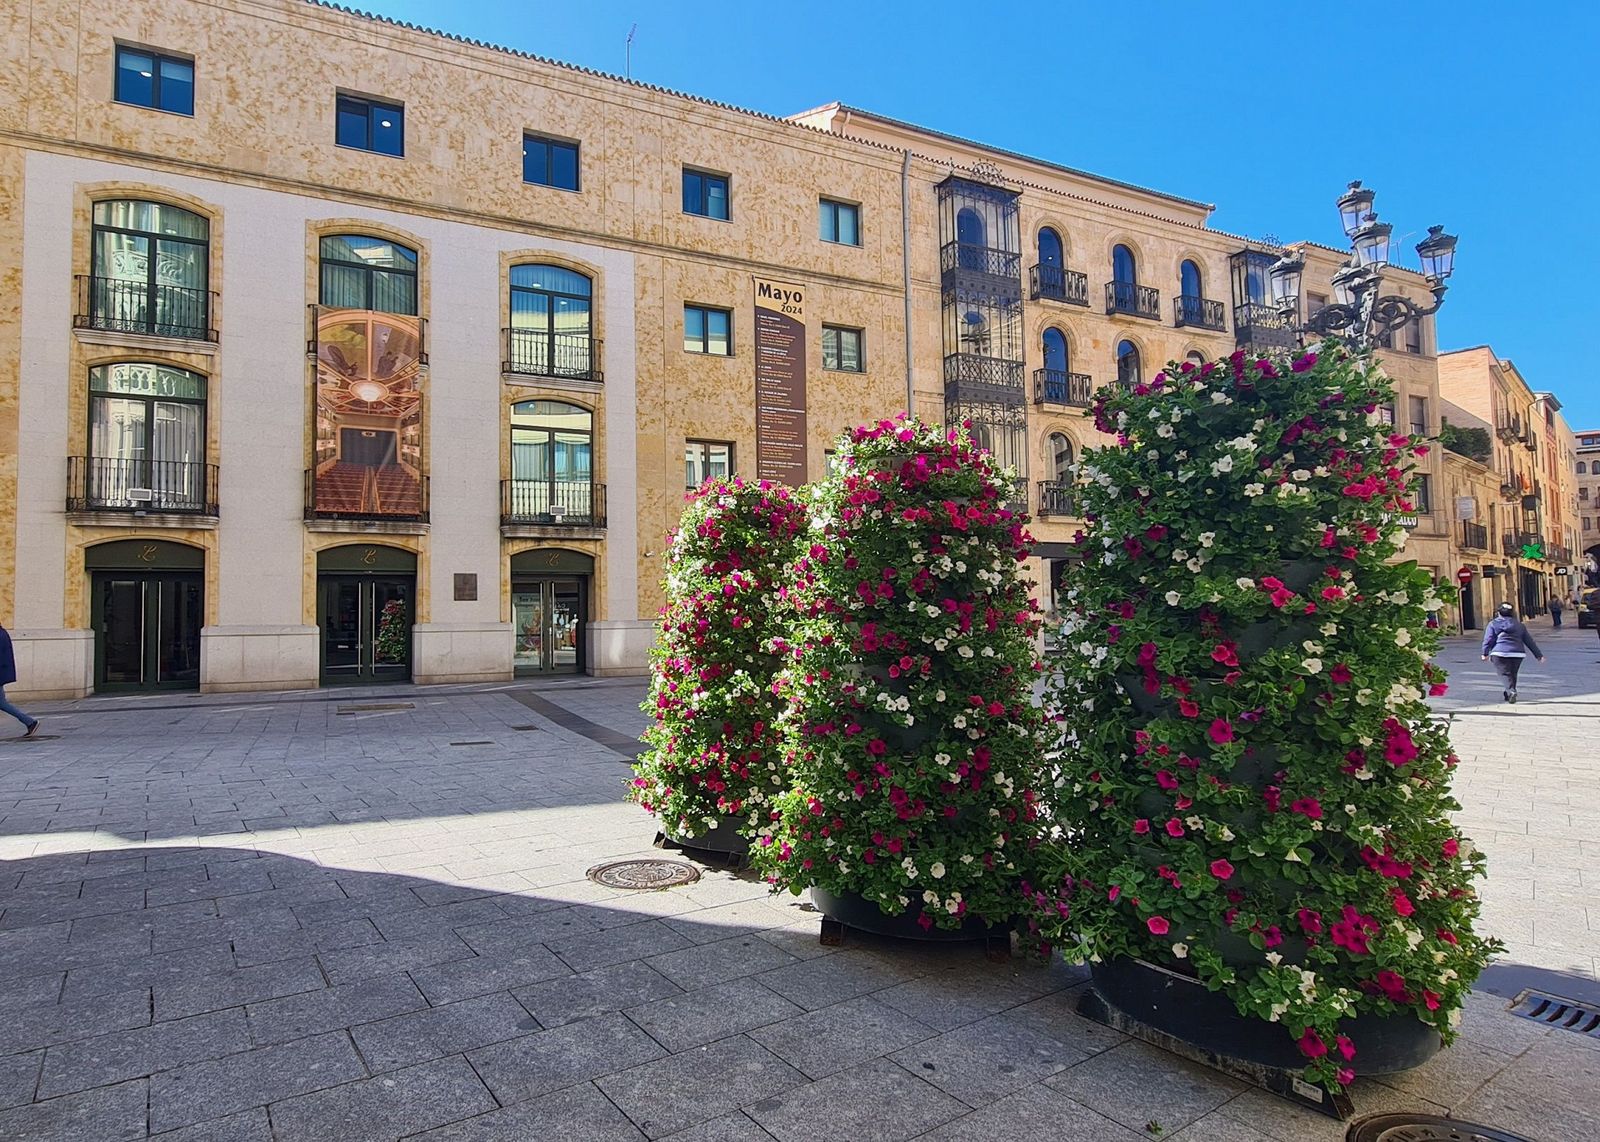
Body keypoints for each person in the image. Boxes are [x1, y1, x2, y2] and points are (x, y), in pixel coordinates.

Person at [1481, 603, 1545, 704]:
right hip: (1517, 653)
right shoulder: (1519, 625)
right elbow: (1529, 641)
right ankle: (1509, 693)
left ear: (1498, 613)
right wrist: (1538, 655)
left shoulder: (1493, 624)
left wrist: (1485, 653)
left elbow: (1488, 639)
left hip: (1499, 653)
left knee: (1504, 673)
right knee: (1512, 673)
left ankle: (1511, 691)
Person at [0, 623, 41, 737]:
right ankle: (29, 722)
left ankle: (30, 722)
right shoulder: (2, 633)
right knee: (2, 703)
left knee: (2, 703)